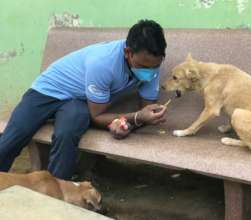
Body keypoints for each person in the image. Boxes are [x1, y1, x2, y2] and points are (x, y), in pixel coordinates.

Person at [0, 19, 168, 180]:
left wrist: (126, 124)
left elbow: (146, 111)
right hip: (46, 92)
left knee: (67, 134)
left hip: (79, 101)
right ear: (127, 52)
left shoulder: (150, 68)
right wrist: (136, 117)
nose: (150, 72)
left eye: (155, 66)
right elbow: (98, 116)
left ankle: (56, 196)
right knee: (13, 138)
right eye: (144, 66)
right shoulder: (103, 63)